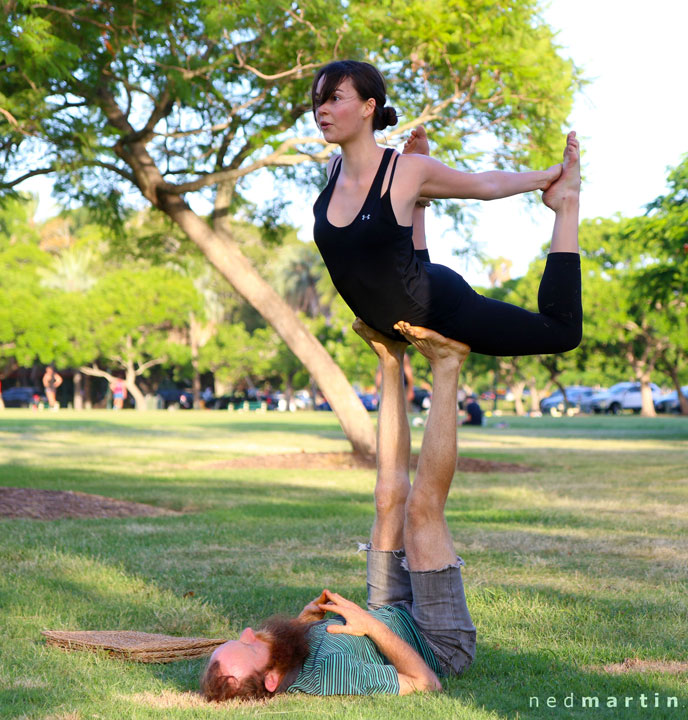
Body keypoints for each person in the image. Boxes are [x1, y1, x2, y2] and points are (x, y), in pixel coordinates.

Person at [201, 320, 476, 701]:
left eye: (239, 637)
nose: (248, 632)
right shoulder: (331, 678)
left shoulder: (289, 658)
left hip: (390, 614)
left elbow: (298, 650)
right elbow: (425, 683)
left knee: (387, 496)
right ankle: (448, 366)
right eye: (248, 647)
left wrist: (302, 625)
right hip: (437, 643)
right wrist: (369, 626)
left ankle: (390, 359)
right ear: (270, 680)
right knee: (421, 511)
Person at [312, 60, 582, 357]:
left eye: (334, 99)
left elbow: (485, 186)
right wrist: (414, 196)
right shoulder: (333, 169)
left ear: (368, 107)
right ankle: (417, 203)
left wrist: (548, 178)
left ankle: (567, 202)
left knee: (563, 332)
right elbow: (387, 256)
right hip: (398, 308)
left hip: (437, 305)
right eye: (318, 101)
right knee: (401, 242)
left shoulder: (405, 170)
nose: (321, 110)